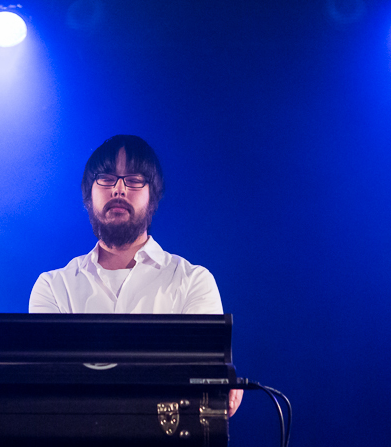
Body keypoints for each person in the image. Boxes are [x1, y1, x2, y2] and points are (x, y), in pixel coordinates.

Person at [29, 134, 242, 415]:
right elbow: (49, 389)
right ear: (88, 195)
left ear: (153, 196)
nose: (119, 189)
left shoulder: (193, 282)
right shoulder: (53, 287)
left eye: (133, 180)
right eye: (106, 178)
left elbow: (201, 385)